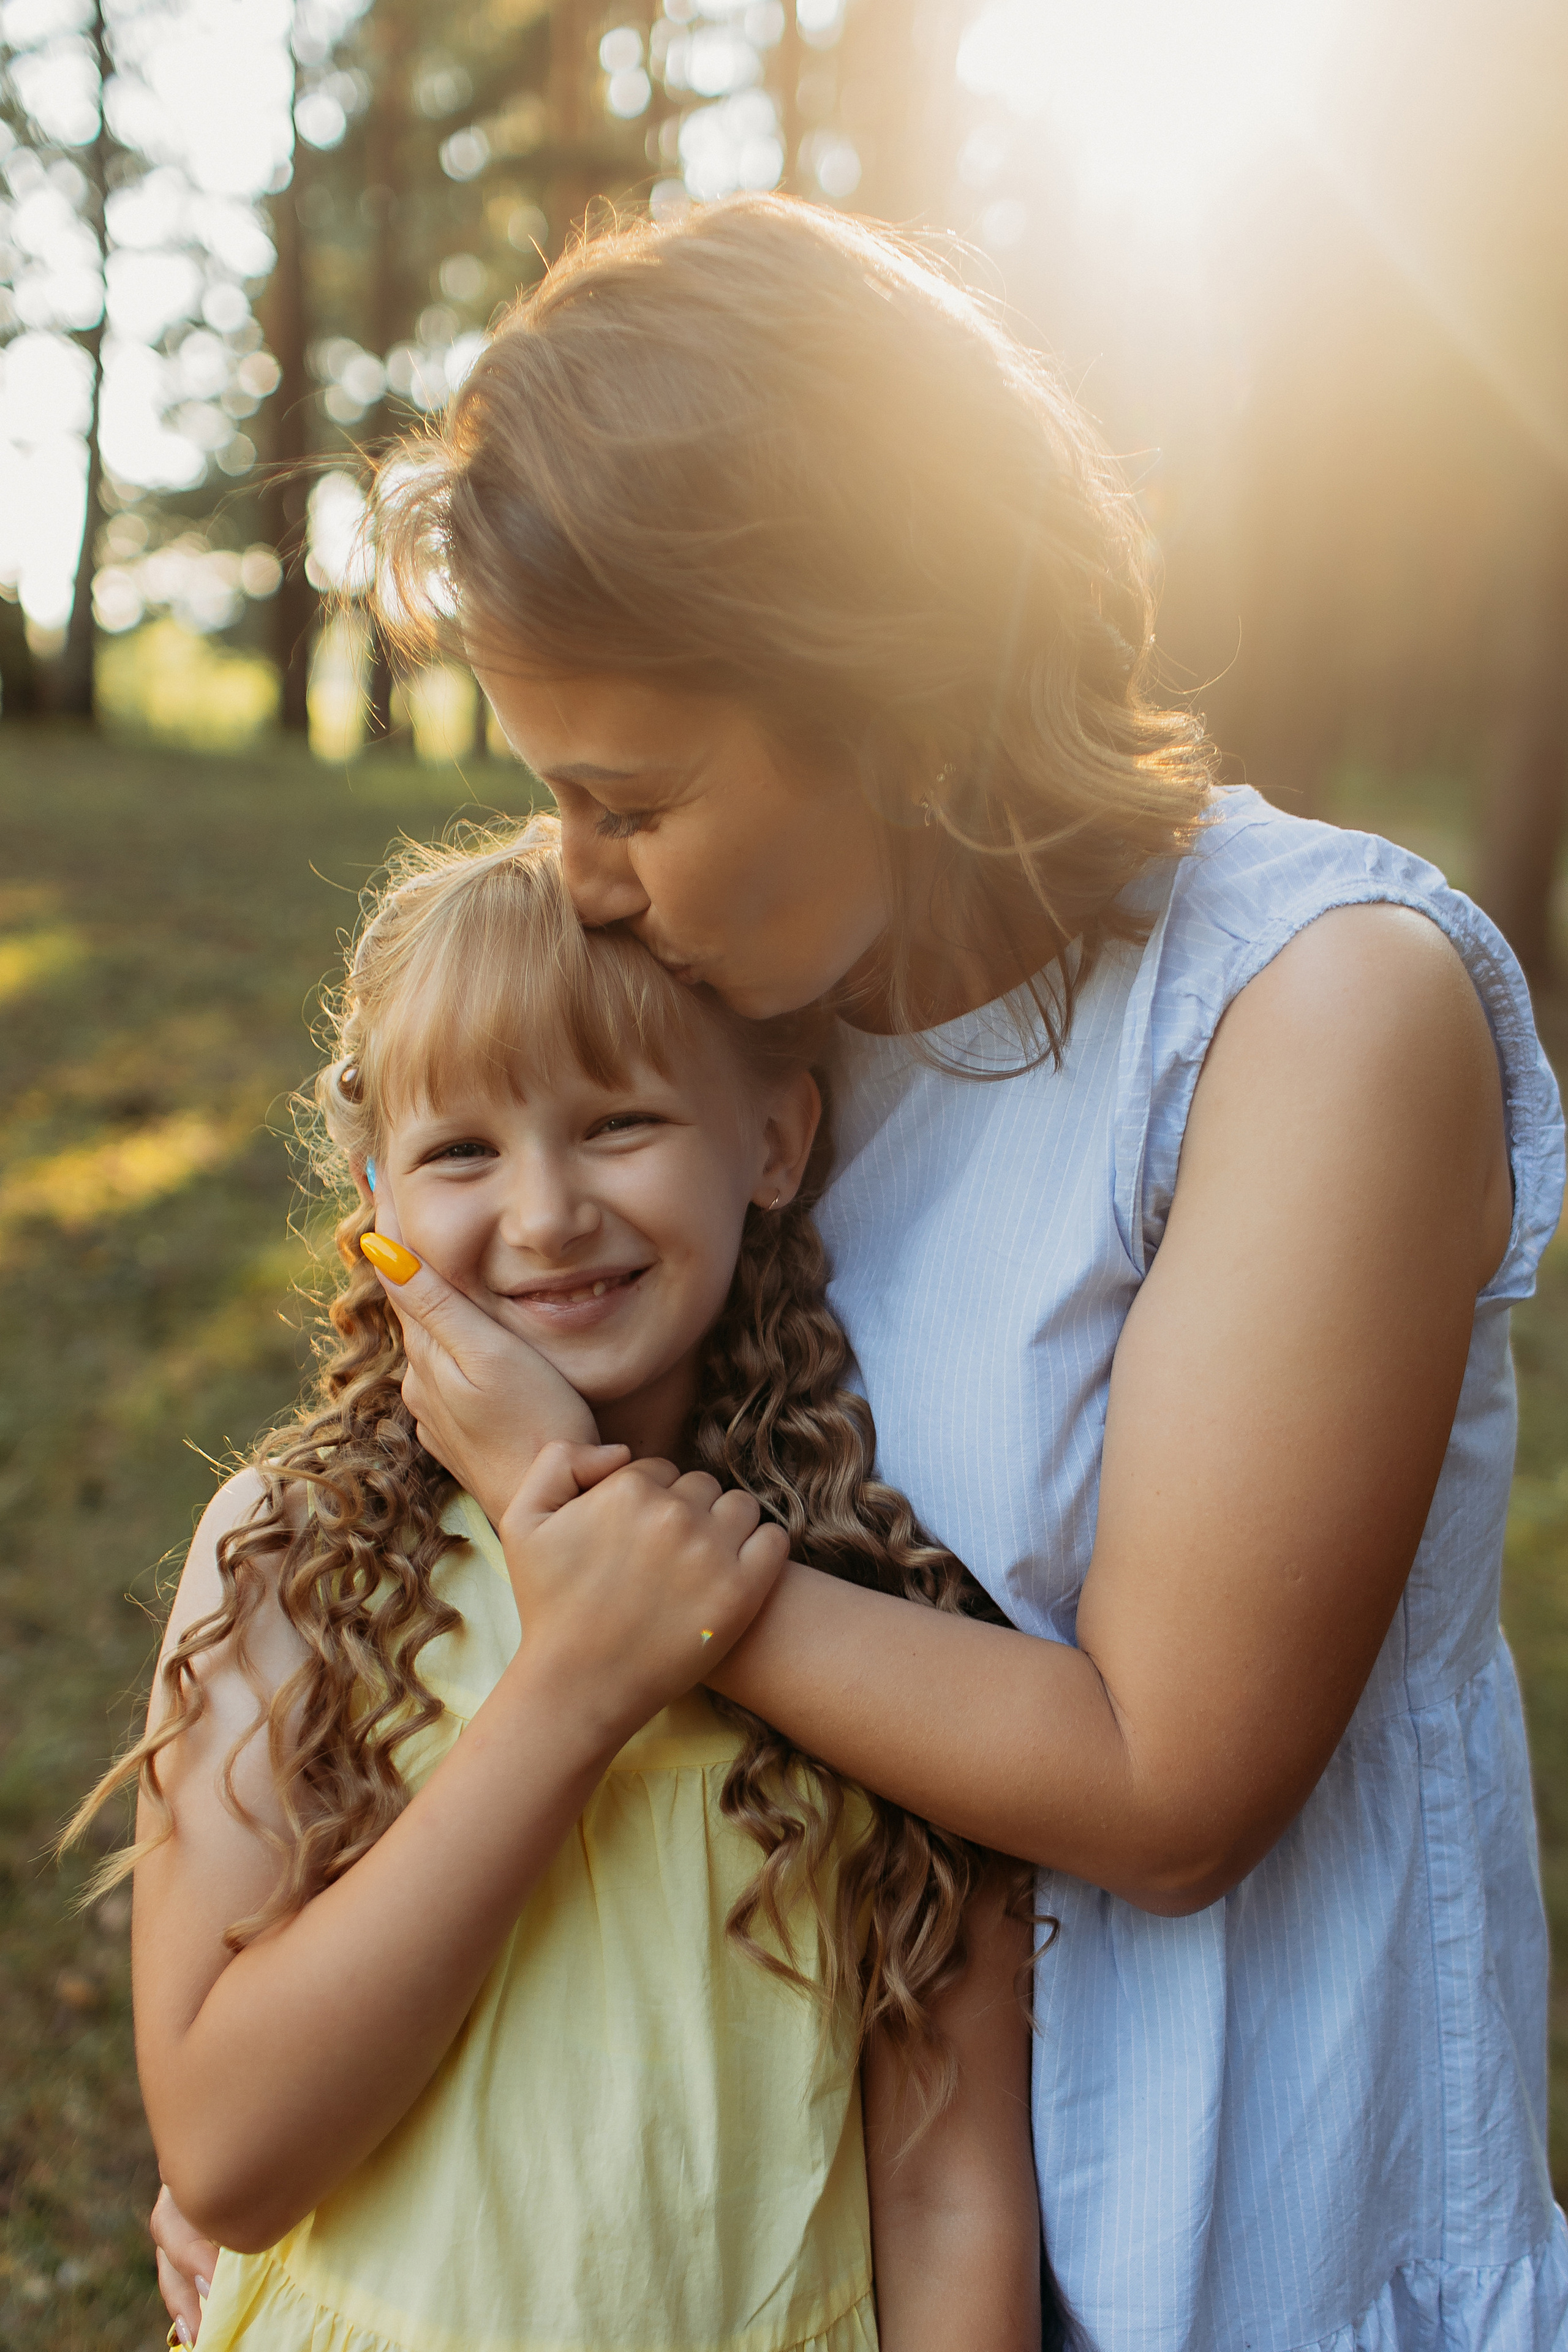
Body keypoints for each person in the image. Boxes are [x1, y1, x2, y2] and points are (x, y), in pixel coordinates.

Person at [154, 192, 1556, 2351]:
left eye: (625, 798)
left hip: (1233, 2242)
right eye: (553, 801)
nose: (581, 882)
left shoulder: (1314, 1014)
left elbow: (1169, 1789)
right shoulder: (760, 1035)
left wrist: (595, 1543)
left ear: (888, 693)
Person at [89, 829, 1044, 2352]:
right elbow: (228, 2158)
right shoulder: (286, 1557)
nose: (541, 1216)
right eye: (462, 1151)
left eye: (618, 1124)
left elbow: (946, 2198)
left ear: (777, 1144)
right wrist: (573, 1685)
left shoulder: (889, 1600)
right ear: (373, 1188)